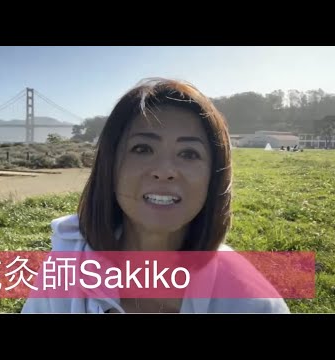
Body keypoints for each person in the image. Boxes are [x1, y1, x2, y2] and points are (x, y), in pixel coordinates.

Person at [21, 77, 290, 314]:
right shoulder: (67, 266)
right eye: (142, 149)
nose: (164, 171)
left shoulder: (254, 304)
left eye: (188, 154)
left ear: (214, 176)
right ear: (111, 166)